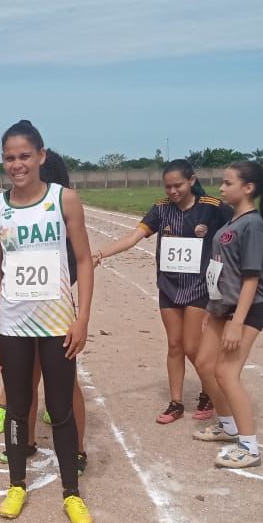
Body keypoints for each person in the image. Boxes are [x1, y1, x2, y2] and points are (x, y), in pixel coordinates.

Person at [0, 121, 95, 523]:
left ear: (41, 157)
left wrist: (82, 318)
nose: (17, 164)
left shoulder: (64, 200)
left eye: (25, 156)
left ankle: (71, 492)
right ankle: (16, 485)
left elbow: (83, 259)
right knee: (17, 407)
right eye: (10, 157)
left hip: (57, 324)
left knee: (60, 408)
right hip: (13, 325)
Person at [92, 159, 232, 423]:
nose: (172, 191)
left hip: (199, 287)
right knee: (175, 345)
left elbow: (237, 229)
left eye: (177, 185)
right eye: (168, 187)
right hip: (169, 286)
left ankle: (209, 392)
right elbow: (133, 238)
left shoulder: (211, 208)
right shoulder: (160, 209)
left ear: (191, 181)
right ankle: (176, 402)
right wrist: (100, 254)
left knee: (193, 346)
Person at [191, 161, 263, 469]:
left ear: (248, 188)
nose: (221, 188)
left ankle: (249, 446)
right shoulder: (233, 220)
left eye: (227, 183)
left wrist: (236, 323)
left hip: (245, 310)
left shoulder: (252, 225)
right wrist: (213, 309)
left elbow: (251, 278)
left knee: (227, 373)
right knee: (204, 363)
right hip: (221, 308)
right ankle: (228, 427)